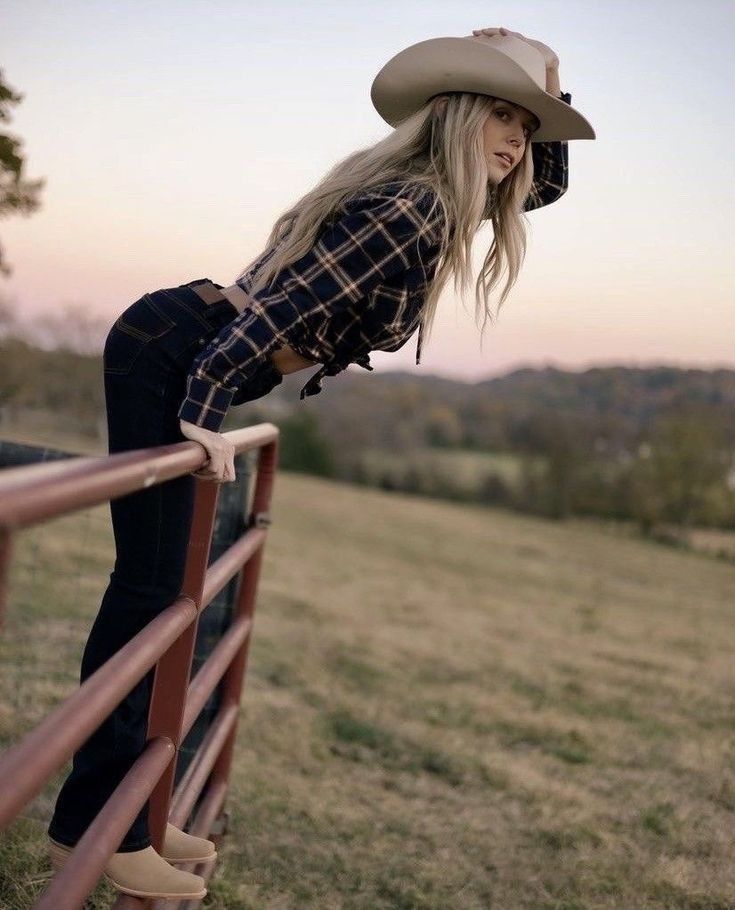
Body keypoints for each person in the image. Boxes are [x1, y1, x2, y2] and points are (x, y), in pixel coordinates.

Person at [47, 26, 595, 900]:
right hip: (179, 353)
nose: (518, 142)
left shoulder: (443, 200)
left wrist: (548, 89)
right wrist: (202, 410)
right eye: (501, 116)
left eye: (524, 129)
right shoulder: (415, 206)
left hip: (188, 351)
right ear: (454, 116)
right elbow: (274, 319)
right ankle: (94, 828)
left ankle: (134, 815)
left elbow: (545, 183)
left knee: (173, 598)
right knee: (152, 591)